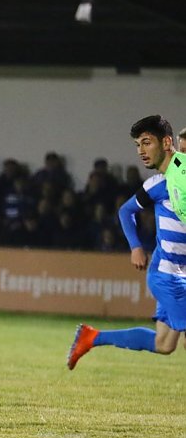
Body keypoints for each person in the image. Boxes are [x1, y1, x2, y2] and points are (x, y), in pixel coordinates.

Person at [68, 115, 186, 370]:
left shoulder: (179, 175)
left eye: (146, 142)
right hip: (168, 275)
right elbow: (125, 211)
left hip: (178, 272)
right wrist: (135, 246)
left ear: (166, 142)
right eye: (137, 145)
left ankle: (92, 337)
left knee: (164, 344)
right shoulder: (157, 184)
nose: (141, 151)